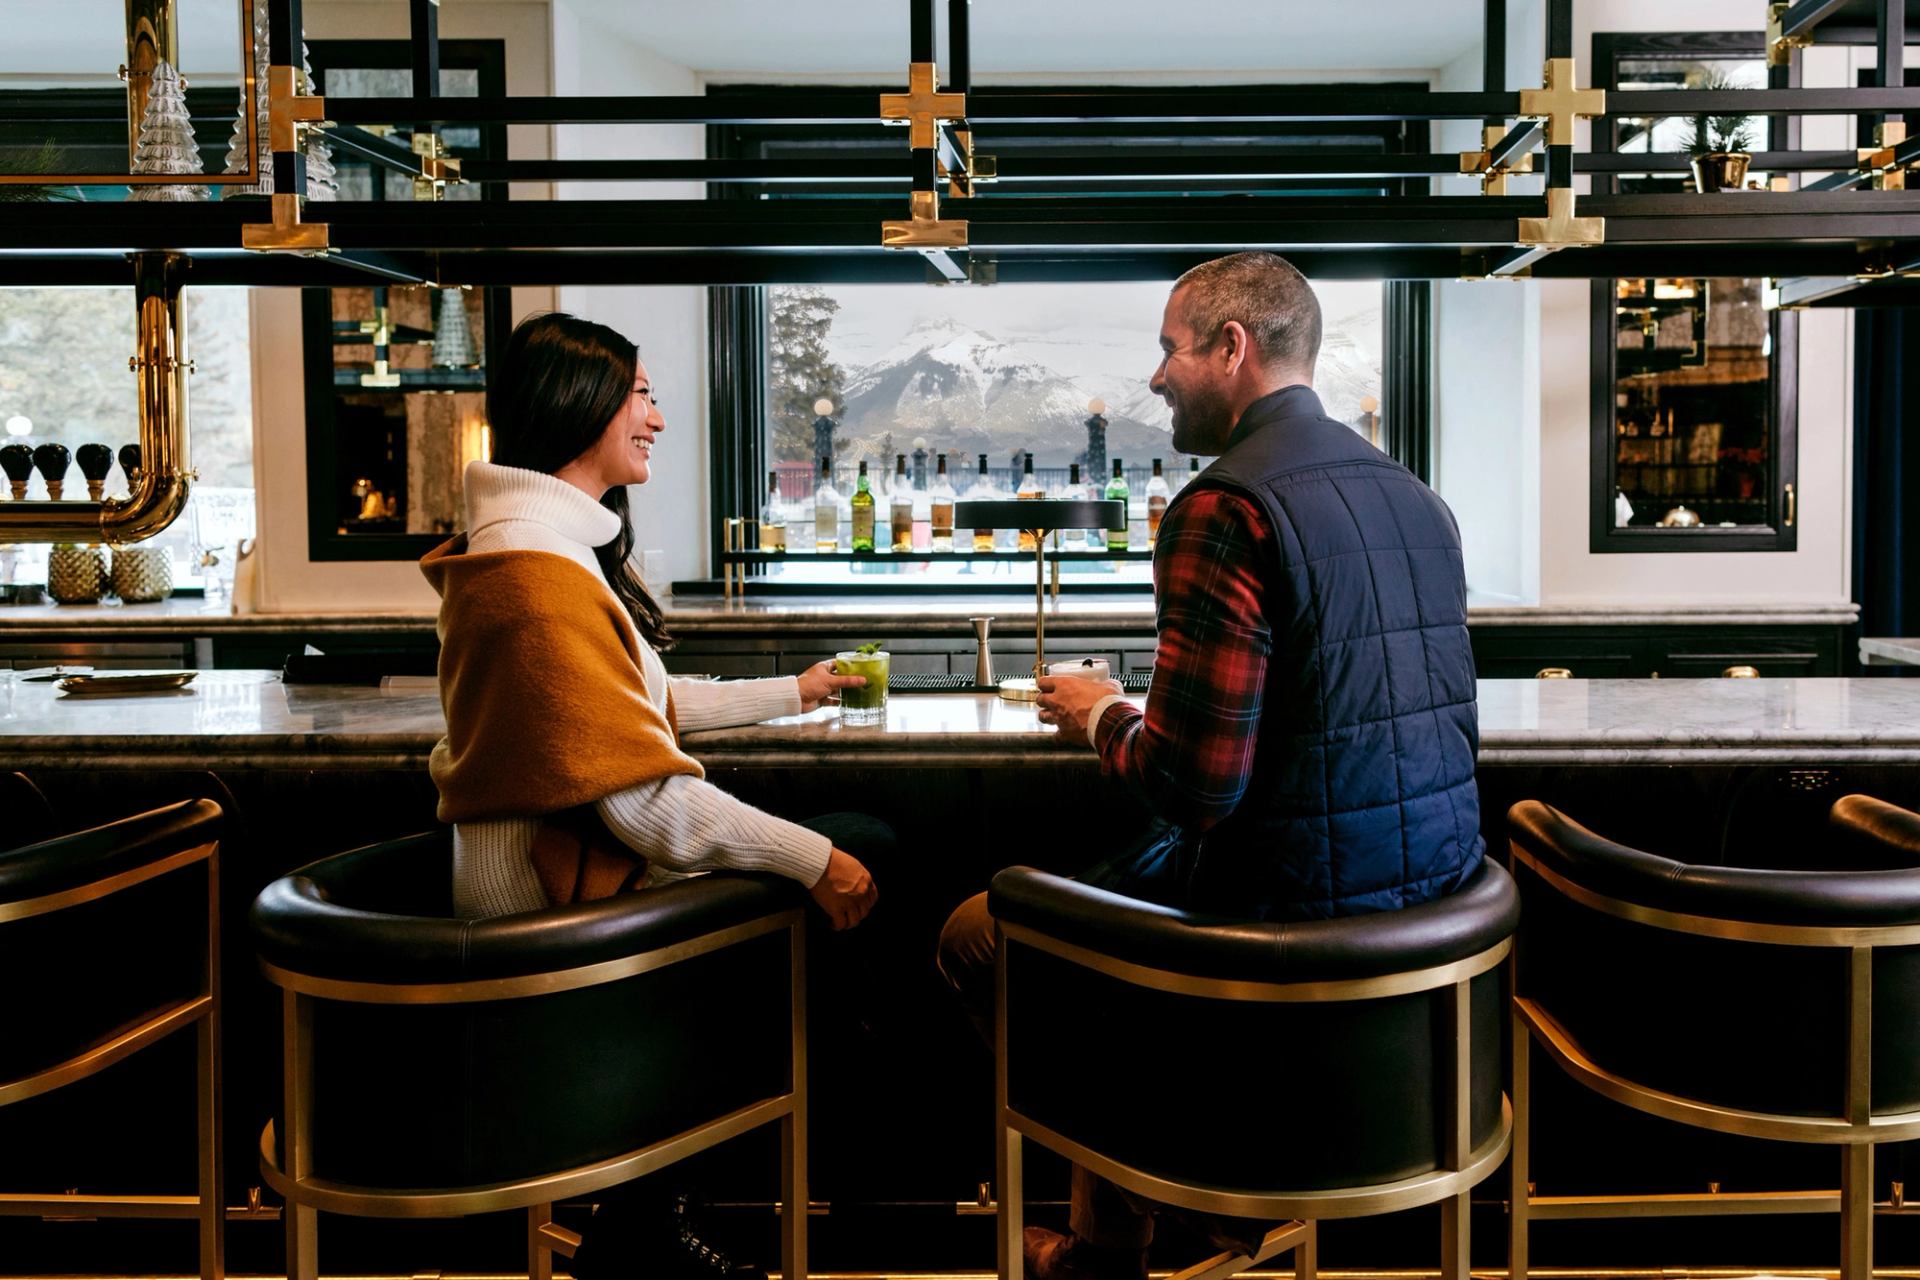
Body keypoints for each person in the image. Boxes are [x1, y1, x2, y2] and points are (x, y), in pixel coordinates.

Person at [937, 252, 1485, 1280]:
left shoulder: (1222, 508)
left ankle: (1158, 1203)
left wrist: (1101, 714)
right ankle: (1140, 1226)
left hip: (1282, 952)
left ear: (1232, 348)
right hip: (1427, 948)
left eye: (1168, 348)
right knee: (1119, 892)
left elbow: (1196, 787)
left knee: (979, 933)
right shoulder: (1419, 498)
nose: (1154, 377)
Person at [422, 311, 889, 1278]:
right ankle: (753, 1198)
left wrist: (792, 692)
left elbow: (642, 705)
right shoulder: (537, 573)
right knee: (862, 848)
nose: (658, 418)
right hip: (564, 922)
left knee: (852, 858)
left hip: (563, 897)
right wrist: (819, 861)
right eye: (640, 394)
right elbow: (642, 802)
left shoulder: (533, 545)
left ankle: (662, 1203)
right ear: (579, 404)